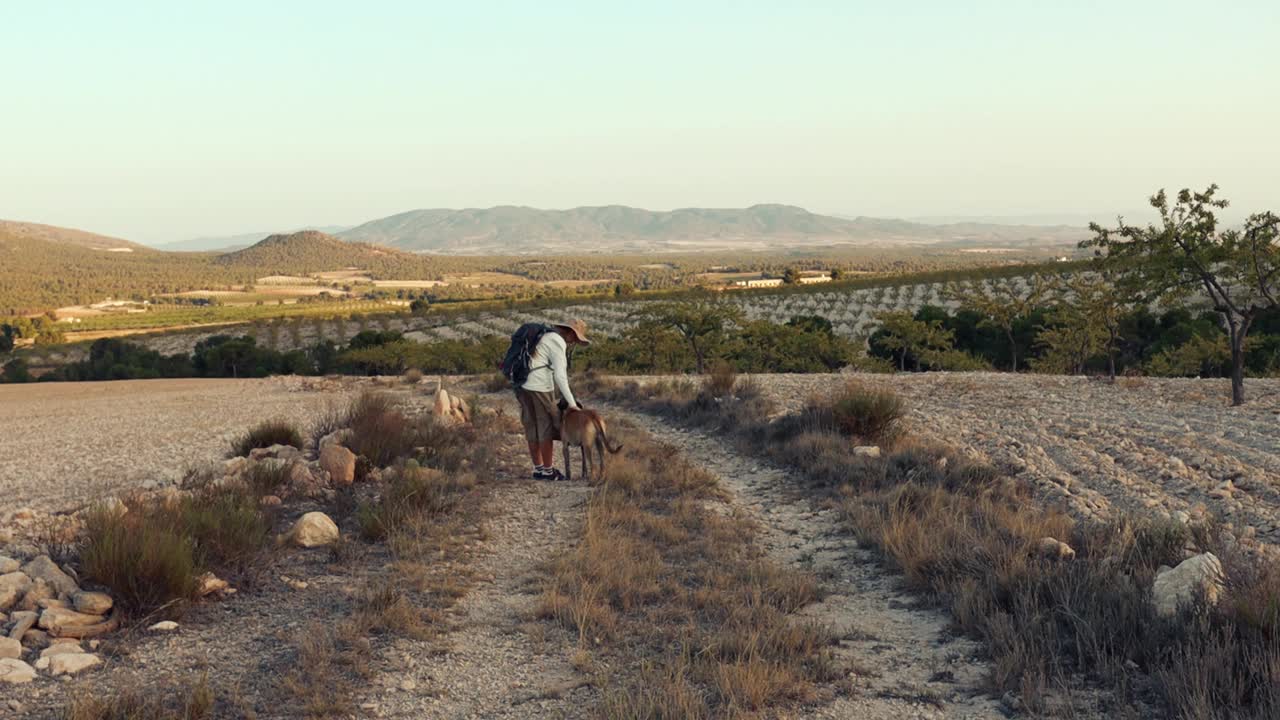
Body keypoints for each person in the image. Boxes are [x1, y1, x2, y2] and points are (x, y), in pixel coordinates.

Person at [516, 319, 590, 480]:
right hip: (540, 386)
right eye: (575, 338)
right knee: (545, 426)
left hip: (521, 385)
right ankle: (548, 472)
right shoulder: (557, 341)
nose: (574, 342)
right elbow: (560, 377)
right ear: (570, 333)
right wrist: (572, 404)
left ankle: (538, 469)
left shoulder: (543, 336)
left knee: (531, 425)